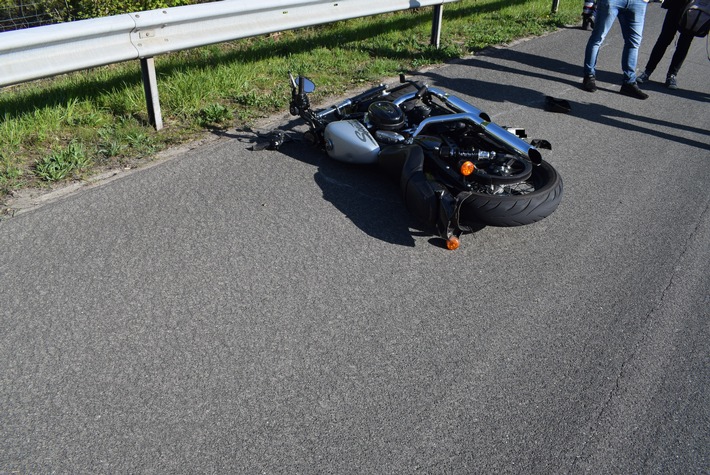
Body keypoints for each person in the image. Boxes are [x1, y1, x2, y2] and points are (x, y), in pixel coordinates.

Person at [582, 0, 651, 99]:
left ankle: (629, 83)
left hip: (638, 2)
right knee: (598, 38)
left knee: (634, 43)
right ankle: (589, 76)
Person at [636, 0, 695, 90]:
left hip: (694, 9)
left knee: (684, 44)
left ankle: (672, 75)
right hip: (676, 6)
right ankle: (648, 71)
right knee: (664, 39)